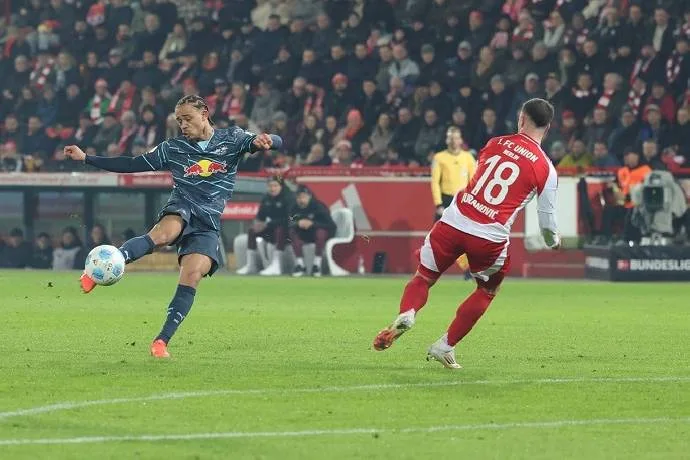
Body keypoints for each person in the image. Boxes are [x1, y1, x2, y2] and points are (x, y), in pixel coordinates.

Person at [64, 94, 282, 359]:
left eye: (187, 118)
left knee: (192, 275)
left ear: (205, 113)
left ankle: (161, 341)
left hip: (208, 221)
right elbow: (131, 164)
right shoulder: (172, 148)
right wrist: (87, 158)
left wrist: (267, 140)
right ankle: (103, 267)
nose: (183, 125)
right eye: (179, 121)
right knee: (165, 234)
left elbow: (275, 141)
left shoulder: (233, 139)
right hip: (183, 205)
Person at [373, 98, 560, 369]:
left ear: (521, 119)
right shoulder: (546, 169)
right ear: (548, 128)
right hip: (489, 236)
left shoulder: (495, 143)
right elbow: (547, 225)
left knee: (423, 277)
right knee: (487, 289)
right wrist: (554, 241)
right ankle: (445, 345)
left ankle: (408, 312)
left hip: (454, 219)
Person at [236, 176, 294, 276]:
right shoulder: (266, 198)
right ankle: (251, 264)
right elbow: (260, 216)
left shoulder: (289, 198)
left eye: (275, 186)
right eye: (270, 186)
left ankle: (276, 265)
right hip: (271, 228)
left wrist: (267, 224)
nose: (272, 188)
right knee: (252, 230)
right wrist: (258, 223)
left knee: (280, 229)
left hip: (287, 230)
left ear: (281, 186)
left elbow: (290, 219)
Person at [289, 185, 336, 277]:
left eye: (304, 197)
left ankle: (316, 265)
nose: (301, 200)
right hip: (304, 234)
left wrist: (312, 223)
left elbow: (331, 225)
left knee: (320, 232)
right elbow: (289, 222)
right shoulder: (294, 208)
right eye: (299, 197)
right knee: (292, 231)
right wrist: (298, 223)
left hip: (319, 234)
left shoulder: (319, 207)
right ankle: (300, 264)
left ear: (309, 197)